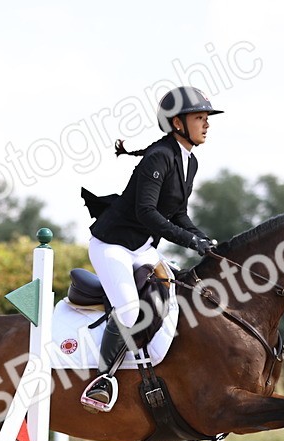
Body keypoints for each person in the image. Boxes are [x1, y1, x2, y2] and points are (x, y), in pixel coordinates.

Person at [79, 85, 222, 412]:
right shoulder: (159, 157)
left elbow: (177, 213)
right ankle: (103, 379)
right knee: (130, 312)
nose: (207, 124)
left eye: (206, 118)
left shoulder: (189, 161)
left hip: (142, 248)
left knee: (176, 294)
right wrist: (188, 241)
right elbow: (147, 212)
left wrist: (204, 240)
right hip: (112, 246)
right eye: (200, 118)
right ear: (177, 124)